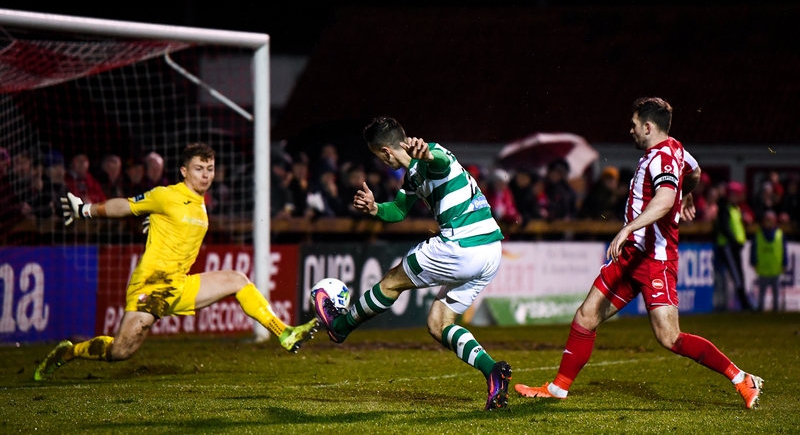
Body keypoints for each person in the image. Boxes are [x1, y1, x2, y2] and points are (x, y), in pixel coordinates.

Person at [514, 97, 763, 409]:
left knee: (670, 337)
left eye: (633, 125)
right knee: (586, 316)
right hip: (632, 256)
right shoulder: (676, 149)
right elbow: (694, 172)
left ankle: (742, 378)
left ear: (647, 127)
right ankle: (557, 388)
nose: (630, 130)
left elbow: (665, 198)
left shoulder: (661, 158)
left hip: (655, 260)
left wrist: (629, 227)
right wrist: (687, 193)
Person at [34, 143, 318, 381]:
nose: (205, 175)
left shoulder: (201, 203)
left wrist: (158, 224)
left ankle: (285, 333)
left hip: (178, 285)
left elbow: (173, 226)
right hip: (152, 284)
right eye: (199, 169)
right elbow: (127, 205)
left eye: (210, 169)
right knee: (121, 351)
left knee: (237, 280)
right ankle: (70, 351)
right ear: (184, 171)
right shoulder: (166, 195)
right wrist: (85, 210)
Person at [311, 117, 512, 411]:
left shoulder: (430, 155)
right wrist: (375, 208)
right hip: (490, 250)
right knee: (438, 324)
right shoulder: (413, 175)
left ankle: (340, 326)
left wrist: (427, 153)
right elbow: (398, 210)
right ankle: (493, 371)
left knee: (392, 281)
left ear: (385, 152)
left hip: (462, 246)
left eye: (378, 156)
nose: (381, 161)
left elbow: (439, 160)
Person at [713, 181, 754, 311]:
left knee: (738, 274)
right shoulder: (725, 209)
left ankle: (743, 301)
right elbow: (724, 227)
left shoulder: (734, 208)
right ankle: (743, 302)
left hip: (734, 246)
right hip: (728, 246)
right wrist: (734, 241)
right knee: (736, 275)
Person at [750, 210, 787, 312]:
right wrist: (753, 262)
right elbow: (753, 250)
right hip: (763, 269)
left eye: (771, 220)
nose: (769, 223)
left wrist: (784, 263)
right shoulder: (758, 235)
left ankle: (776, 309)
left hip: (776, 269)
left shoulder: (780, 234)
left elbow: (784, 250)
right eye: (767, 220)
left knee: (776, 293)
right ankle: (760, 308)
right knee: (761, 292)